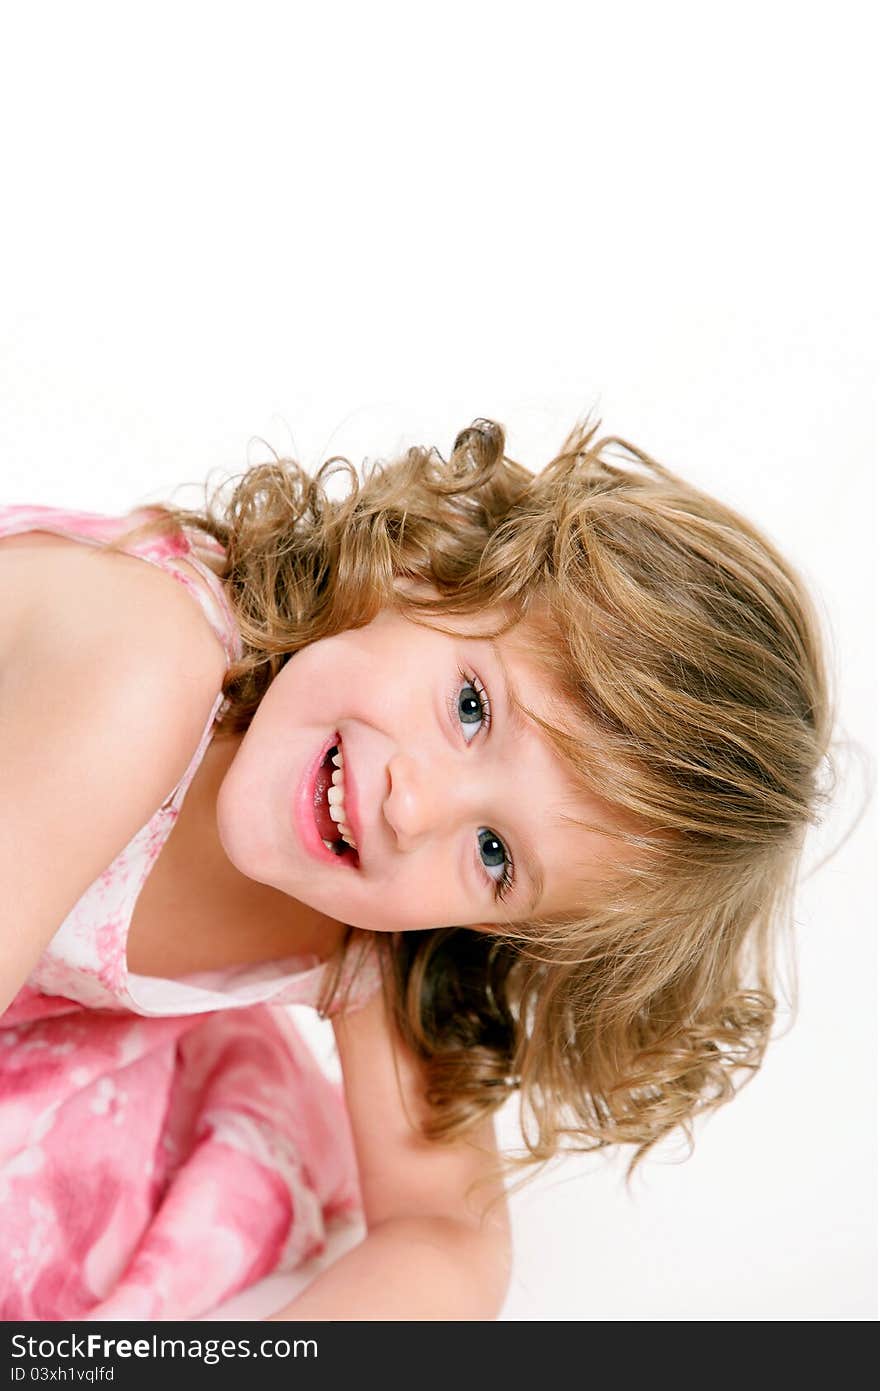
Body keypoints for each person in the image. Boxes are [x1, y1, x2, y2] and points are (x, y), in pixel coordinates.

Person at [0, 416, 838, 1320]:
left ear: (510, 929)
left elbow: (448, 1235)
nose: (413, 807)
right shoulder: (146, 660)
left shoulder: (365, 928)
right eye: (473, 707)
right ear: (426, 570)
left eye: (495, 853)